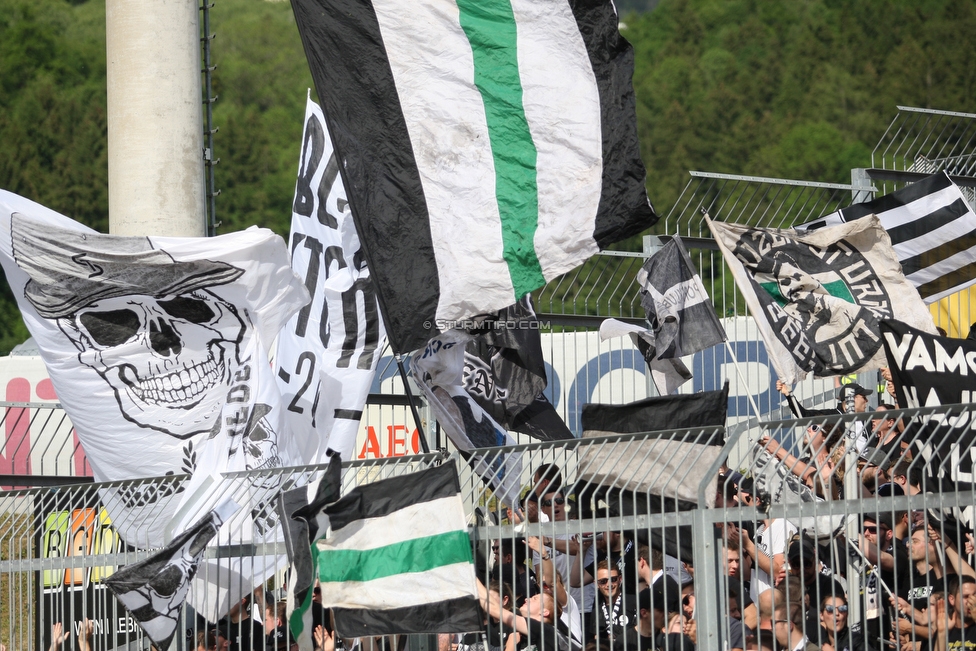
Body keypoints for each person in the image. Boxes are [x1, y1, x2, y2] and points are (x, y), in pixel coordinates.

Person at [590, 560, 635, 645]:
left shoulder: (634, 602)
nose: (609, 584)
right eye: (603, 581)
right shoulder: (596, 612)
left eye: (613, 579)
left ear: (620, 579)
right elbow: (596, 642)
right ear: (596, 584)